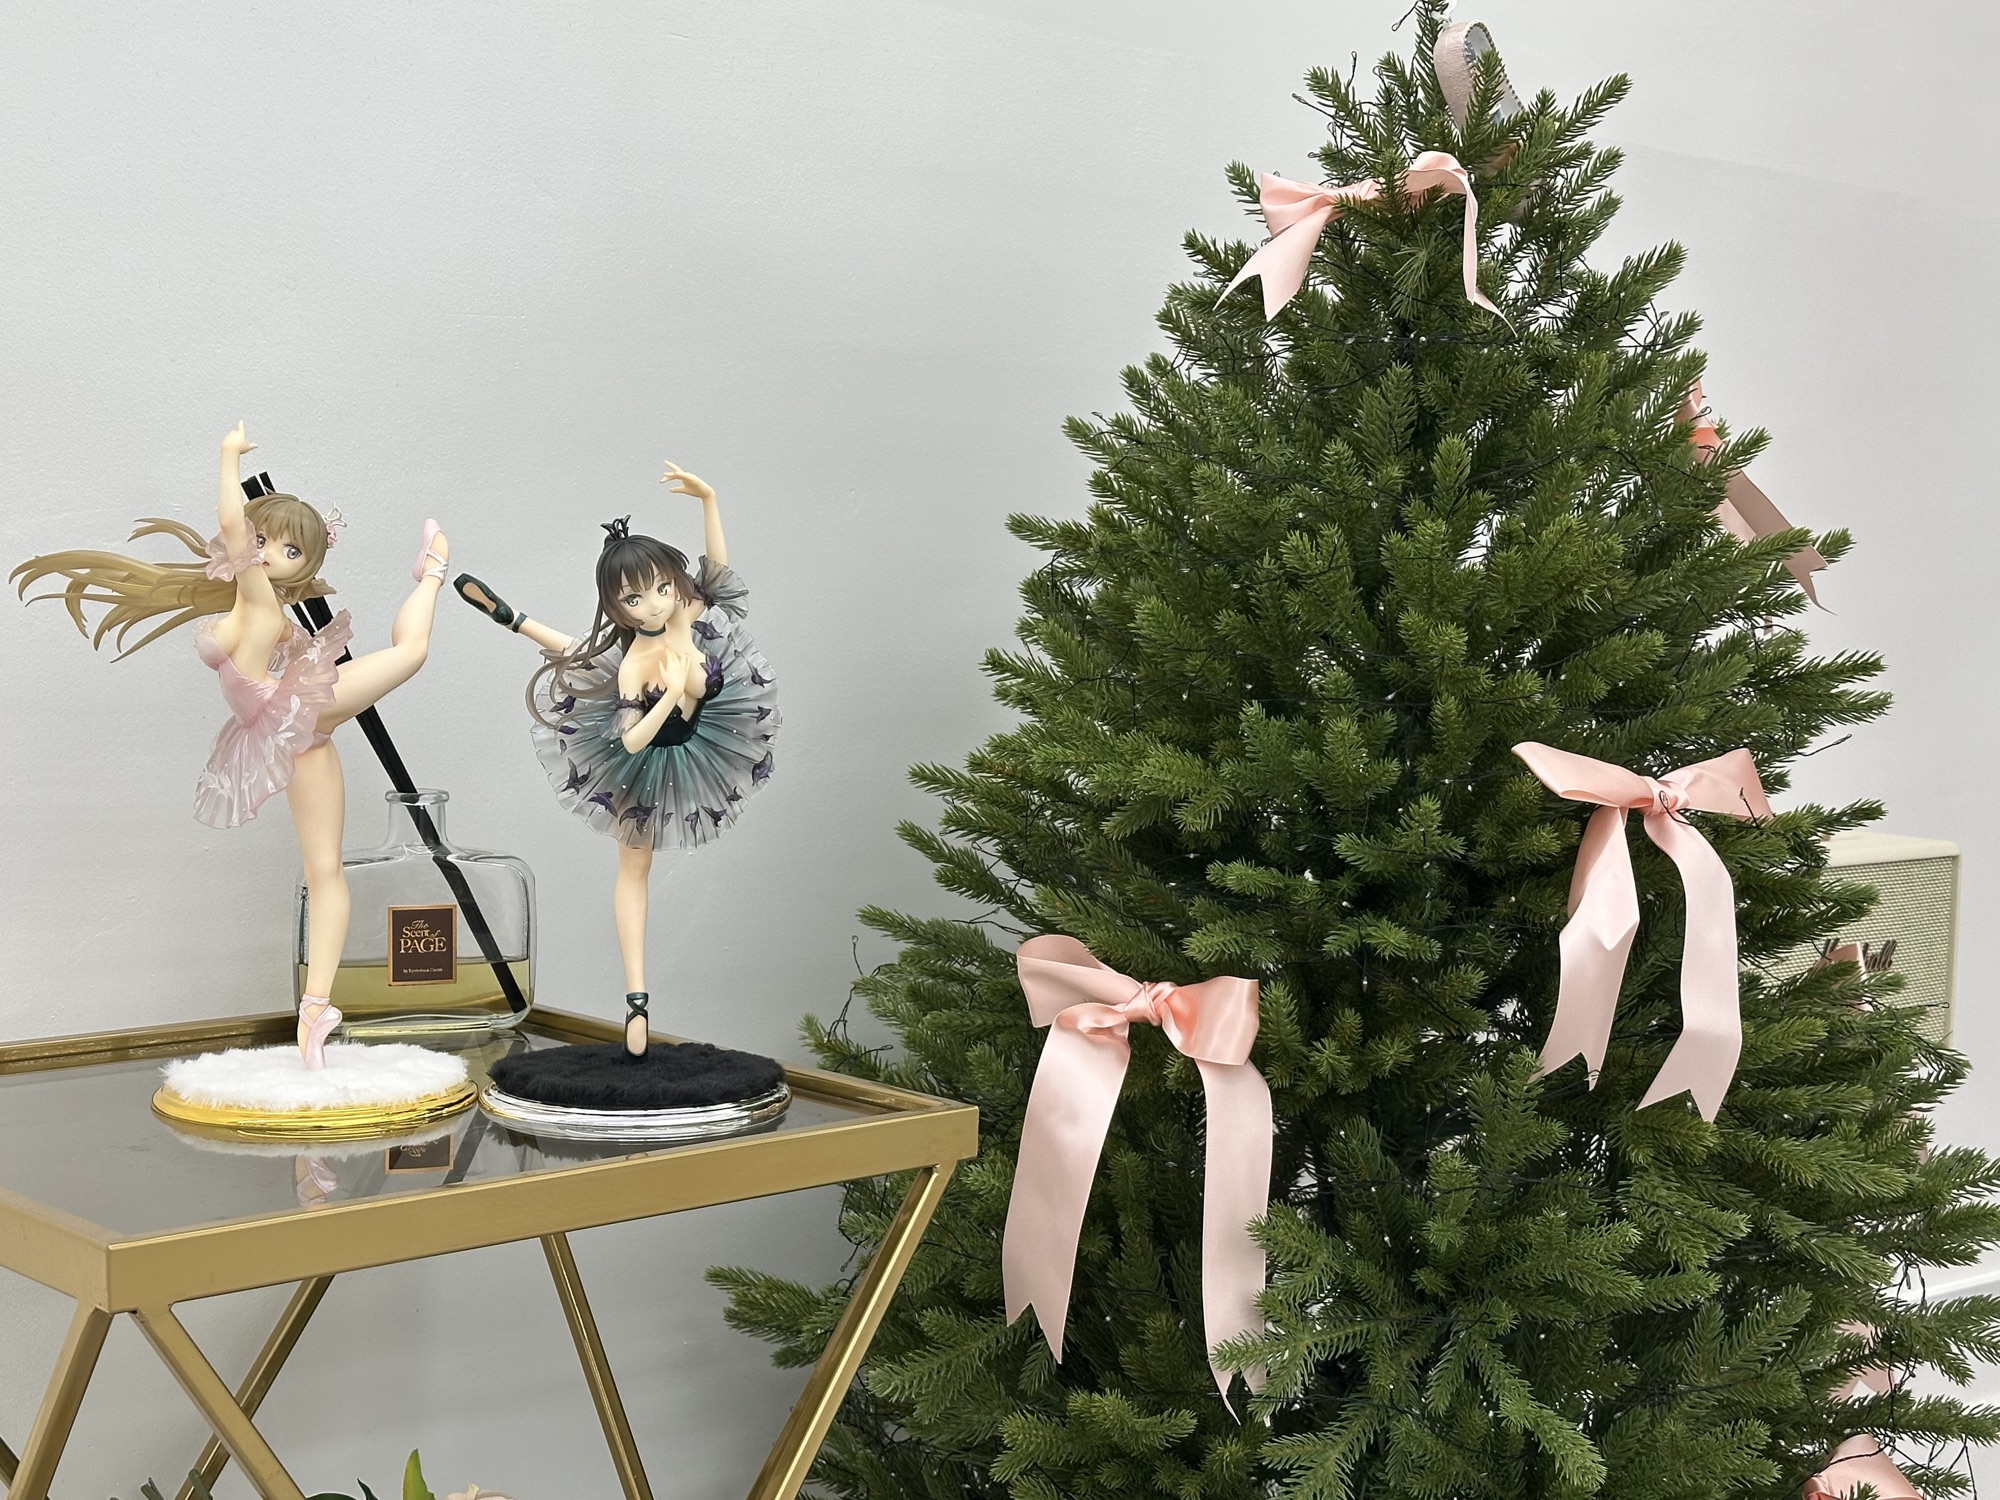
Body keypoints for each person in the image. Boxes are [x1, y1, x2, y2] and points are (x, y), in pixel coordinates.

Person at [12, 422, 449, 1067]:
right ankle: (433, 570)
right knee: (407, 660)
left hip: (295, 723)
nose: (268, 554)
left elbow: (240, 546)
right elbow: (232, 524)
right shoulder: (255, 598)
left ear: (306, 565)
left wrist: (229, 461)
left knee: (328, 866)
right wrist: (227, 458)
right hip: (296, 721)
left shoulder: (259, 604)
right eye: (263, 540)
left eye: (290, 550)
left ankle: (316, 1009)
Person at [453, 463, 778, 1057]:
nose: (652, 606)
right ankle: (637, 1001)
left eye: (660, 589)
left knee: (581, 651)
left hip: (705, 738)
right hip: (642, 759)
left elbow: (718, 572)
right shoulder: (635, 663)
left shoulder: (686, 612)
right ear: (617, 605)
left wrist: (708, 499)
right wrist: (671, 695)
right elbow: (630, 741)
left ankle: (514, 618)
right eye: (633, 599)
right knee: (634, 867)